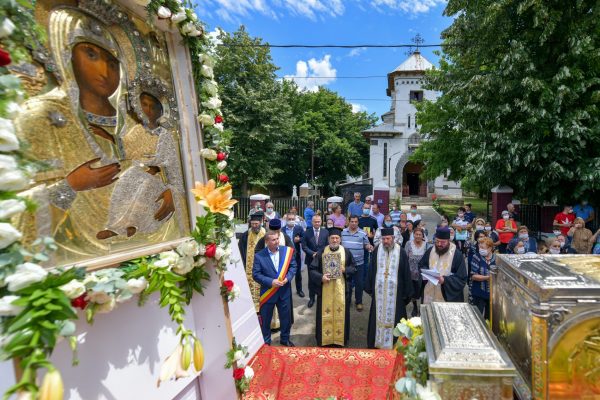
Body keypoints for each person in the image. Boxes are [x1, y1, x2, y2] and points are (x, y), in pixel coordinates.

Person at [365, 228, 413, 349]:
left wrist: (407, 293)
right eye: (383, 239)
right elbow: (371, 269)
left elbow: (406, 272)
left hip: (396, 294)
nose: (385, 241)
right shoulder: (377, 251)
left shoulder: (400, 252)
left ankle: (396, 343)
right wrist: (370, 287)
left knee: (397, 317)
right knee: (377, 316)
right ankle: (377, 342)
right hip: (379, 293)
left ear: (393, 238)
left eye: (388, 238)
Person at [308, 227, 356, 347]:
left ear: (340, 239)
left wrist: (345, 270)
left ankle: (340, 340)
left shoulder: (346, 252)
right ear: (328, 239)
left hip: (341, 290)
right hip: (325, 290)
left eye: (337, 238)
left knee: (342, 314)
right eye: (332, 238)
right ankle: (325, 340)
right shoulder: (321, 252)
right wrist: (321, 277)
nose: (335, 240)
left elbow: (354, 268)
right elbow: (312, 269)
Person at [252, 230, 297, 347]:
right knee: (266, 320)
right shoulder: (259, 256)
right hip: (268, 292)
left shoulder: (286, 251)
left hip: (284, 291)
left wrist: (288, 278)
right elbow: (256, 274)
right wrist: (271, 282)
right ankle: (266, 341)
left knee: (285, 319)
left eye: (277, 239)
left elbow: (293, 266)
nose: (277, 241)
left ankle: (285, 339)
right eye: (273, 240)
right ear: (267, 242)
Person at [255, 219, 294, 330]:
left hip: (282, 282)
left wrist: (287, 276)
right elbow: (257, 253)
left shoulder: (285, 237)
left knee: (285, 315)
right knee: (267, 315)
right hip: (269, 284)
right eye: (273, 231)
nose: (276, 240)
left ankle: (284, 336)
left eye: (277, 232)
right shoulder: (264, 239)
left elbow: (292, 254)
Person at [419, 226, 468, 304]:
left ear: (448, 241)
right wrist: (427, 273)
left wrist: (445, 280)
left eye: (443, 242)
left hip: (446, 298)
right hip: (430, 292)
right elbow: (422, 265)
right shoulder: (430, 251)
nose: (439, 244)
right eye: (437, 241)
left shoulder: (457, 254)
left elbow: (461, 279)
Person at [341, 216, 373, 311]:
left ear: (358, 223)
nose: (353, 223)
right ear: (349, 222)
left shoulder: (363, 233)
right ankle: (347, 300)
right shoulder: (343, 233)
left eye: (355, 221)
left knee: (359, 284)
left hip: (359, 264)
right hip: (346, 264)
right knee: (347, 283)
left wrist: (369, 246)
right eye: (352, 221)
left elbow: (366, 244)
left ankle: (358, 302)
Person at [238, 213, 265, 312]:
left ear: (261, 222)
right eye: (252, 224)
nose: (254, 226)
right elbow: (241, 251)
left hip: (263, 269)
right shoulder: (245, 235)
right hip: (249, 269)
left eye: (256, 224)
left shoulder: (266, 234)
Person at [301, 215, 329, 308]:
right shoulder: (307, 232)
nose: (317, 223)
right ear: (312, 222)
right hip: (310, 259)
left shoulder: (326, 232)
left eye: (318, 221)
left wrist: (319, 254)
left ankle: (322, 296)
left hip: (322, 260)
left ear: (321, 222)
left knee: (322, 278)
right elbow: (304, 246)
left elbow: (327, 245)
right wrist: (312, 253)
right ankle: (312, 298)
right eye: (315, 222)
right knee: (312, 279)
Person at [470, 237, 494, 320]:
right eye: (479, 247)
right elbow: (473, 276)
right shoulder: (476, 257)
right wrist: (488, 277)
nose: (480, 249)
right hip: (478, 293)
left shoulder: (496, 259)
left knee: (490, 318)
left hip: (492, 295)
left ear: (490, 248)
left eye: (482, 248)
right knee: (477, 317)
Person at [406, 227, 428, 317]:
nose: (418, 236)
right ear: (413, 235)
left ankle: (422, 307)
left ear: (423, 236)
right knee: (414, 293)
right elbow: (405, 258)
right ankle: (415, 306)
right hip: (411, 274)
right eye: (416, 234)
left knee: (423, 291)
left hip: (423, 274)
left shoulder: (426, 245)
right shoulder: (408, 244)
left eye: (420, 234)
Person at [282, 213, 305, 297]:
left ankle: (299, 290)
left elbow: (304, 238)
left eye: (292, 219)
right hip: (285, 255)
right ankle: (285, 291)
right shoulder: (282, 230)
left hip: (296, 254)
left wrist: (299, 239)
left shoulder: (299, 228)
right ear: (286, 220)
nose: (291, 221)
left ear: (295, 219)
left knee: (298, 273)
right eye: (289, 219)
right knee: (285, 273)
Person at [358, 204, 379, 288]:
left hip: (369, 244)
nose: (366, 209)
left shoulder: (373, 219)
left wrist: (373, 235)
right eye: (365, 208)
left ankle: (365, 282)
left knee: (367, 264)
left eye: (368, 208)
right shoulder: (358, 219)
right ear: (362, 208)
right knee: (359, 264)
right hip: (359, 245)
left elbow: (377, 232)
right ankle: (358, 281)